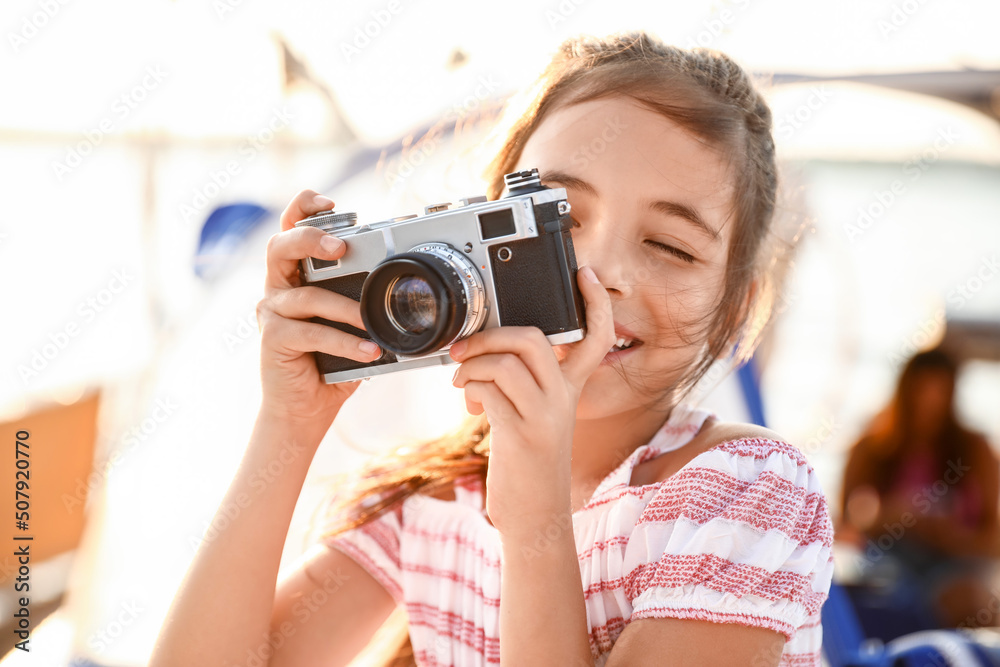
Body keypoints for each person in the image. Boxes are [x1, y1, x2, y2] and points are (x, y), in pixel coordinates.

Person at [151, 32, 834, 666]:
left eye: (670, 246)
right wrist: (287, 425)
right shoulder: (434, 504)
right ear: (478, 241)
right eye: (557, 217)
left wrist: (535, 515)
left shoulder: (749, 495)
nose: (599, 272)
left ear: (734, 311)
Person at [839, 348, 1000, 629]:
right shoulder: (872, 447)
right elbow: (845, 529)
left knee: (970, 602)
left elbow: (991, 541)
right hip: (888, 565)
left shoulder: (976, 450)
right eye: (921, 389)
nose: (929, 402)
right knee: (863, 596)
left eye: (939, 391)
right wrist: (893, 517)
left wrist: (950, 537)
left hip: (955, 567)